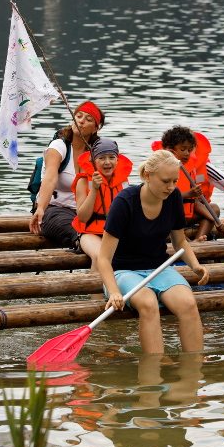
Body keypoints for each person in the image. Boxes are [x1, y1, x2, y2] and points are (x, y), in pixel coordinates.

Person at [97, 149, 210, 354]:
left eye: (175, 181)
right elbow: (103, 258)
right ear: (147, 175)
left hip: (159, 269)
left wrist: (195, 265)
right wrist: (113, 291)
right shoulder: (125, 202)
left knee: (188, 303)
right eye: (166, 181)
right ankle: (153, 374)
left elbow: (180, 242)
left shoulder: (174, 197)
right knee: (148, 304)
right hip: (122, 273)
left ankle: (194, 372)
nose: (171, 187)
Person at [29, 101, 103, 249]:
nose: (81, 121)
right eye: (78, 116)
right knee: (77, 231)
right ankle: (88, 247)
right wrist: (41, 208)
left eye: (88, 119)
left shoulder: (97, 153)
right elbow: (50, 178)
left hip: (85, 211)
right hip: (55, 209)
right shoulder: (59, 146)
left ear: (96, 128)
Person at [152, 126, 223, 241]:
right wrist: (188, 194)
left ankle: (198, 240)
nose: (187, 154)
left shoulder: (189, 169)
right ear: (170, 150)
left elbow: (194, 202)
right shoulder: (160, 168)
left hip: (186, 216)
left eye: (189, 150)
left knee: (214, 209)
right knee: (165, 223)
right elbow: (159, 198)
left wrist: (215, 219)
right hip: (166, 217)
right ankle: (189, 244)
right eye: (183, 149)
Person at [72, 137, 133, 267]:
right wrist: (94, 189)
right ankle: (96, 287)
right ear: (93, 160)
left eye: (111, 157)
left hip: (116, 232)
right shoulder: (83, 182)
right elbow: (82, 217)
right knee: (101, 256)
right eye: (102, 158)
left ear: (117, 160)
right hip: (90, 234)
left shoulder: (124, 182)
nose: (107, 162)